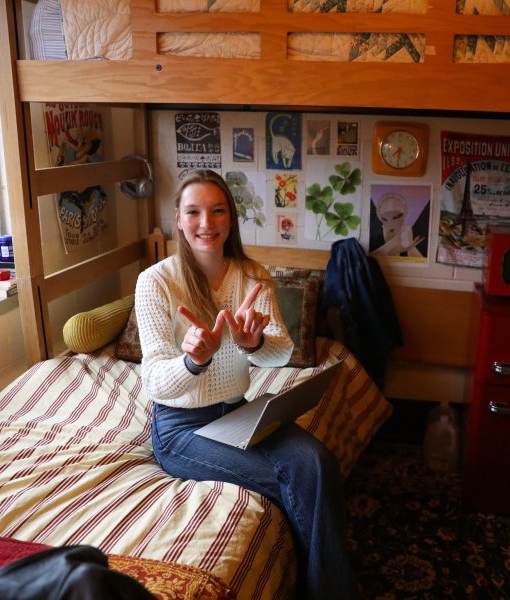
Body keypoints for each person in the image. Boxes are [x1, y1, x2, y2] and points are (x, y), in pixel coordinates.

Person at [134, 170, 357, 600]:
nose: (206, 222)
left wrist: (254, 343)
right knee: (294, 477)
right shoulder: (155, 282)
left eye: (217, 211)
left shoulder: (252, 276)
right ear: (178, 219)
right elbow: (156, 381)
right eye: (194, 212)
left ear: (231, 219)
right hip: (182, 429)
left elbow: (282, 353)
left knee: (318, 461)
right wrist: (193, 360)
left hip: (240, 413)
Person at [371, 192, 424, 257]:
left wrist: (409, 245)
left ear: (405, 215)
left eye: (396, 217)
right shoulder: (377, 237)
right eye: (384, 219)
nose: (391, 223)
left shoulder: (407, 233)